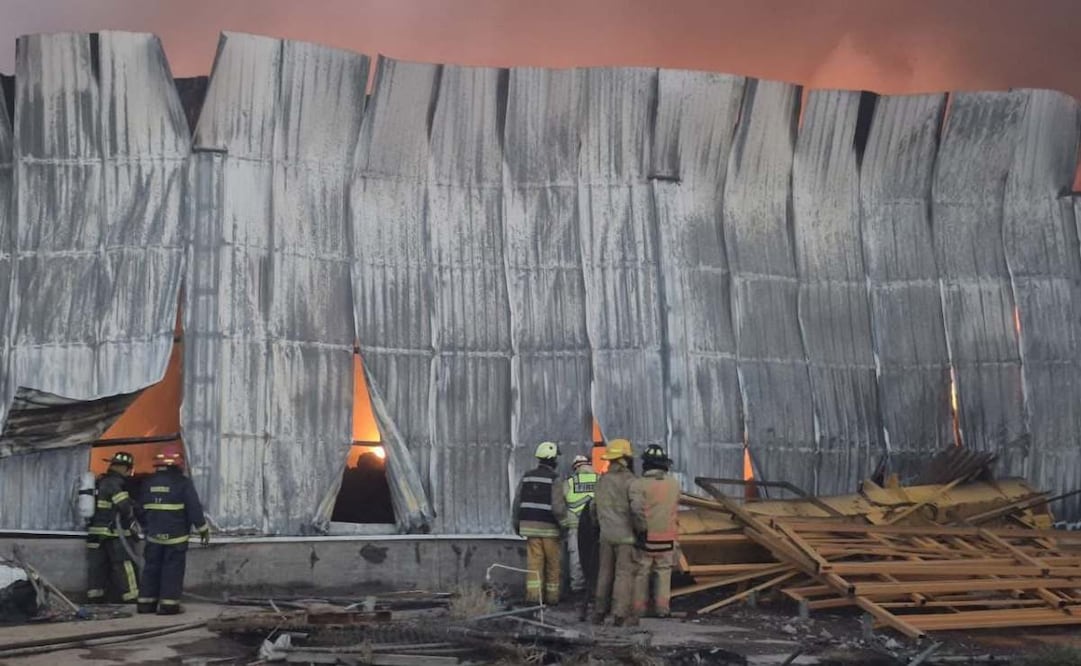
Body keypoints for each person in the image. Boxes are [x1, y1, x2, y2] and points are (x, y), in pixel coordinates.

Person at [136, 447, 210, 615]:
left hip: (153, 536)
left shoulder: (148, 482)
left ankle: (145, 604)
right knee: (172, 570)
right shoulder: (182, 483)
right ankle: (168, 605)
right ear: (178, 464)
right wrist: (203, 529)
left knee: (151, 568)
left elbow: (139, 509)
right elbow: (193, 508)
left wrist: (147, 527)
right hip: (176, 538)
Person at [590, 438, 638, 626]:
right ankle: (620, 615)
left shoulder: (602, 480)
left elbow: (593, 508)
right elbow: (637, 510)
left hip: (605, 536)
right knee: (623, 575)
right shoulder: (630, 481)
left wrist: (598, 526)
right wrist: (642, 530)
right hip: (626, 537)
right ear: (625, 458)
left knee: (604, 573)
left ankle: (599, 612)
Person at [512, 441, 567, 605]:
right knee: (552, 564)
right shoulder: (554, 479)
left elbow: (517, 502)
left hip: (530, 529)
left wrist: (516, 524)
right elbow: (558, 507)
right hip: (550, 530)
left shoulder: (527, 476)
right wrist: (564, 525)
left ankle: (534, 598)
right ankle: (552, 598)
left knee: (534, 565)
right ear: (552, 459)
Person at [630, 445, 680, 618]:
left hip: (646, 539)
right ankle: (662, 609)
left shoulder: (638, 485)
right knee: (664, 574)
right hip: (668, 539)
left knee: (641, 573)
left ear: (645, 464)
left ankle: (639, 609)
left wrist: (640, 530)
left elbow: (635, 510)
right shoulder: (673, 484)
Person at [86, 451, 140, 604]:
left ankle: (95, 596)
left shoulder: (100, 480)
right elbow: (124, 506)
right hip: (114, 533)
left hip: (95, 533)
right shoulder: (114, 483)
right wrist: (135, 508)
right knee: (124, 563)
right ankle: (131, 595)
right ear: (124, 468)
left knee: (97, 566)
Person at [561, 454, 597, 596]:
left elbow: (561, 501)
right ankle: (594, 586)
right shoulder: (599, 479)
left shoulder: (569, 482)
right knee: (595, 556)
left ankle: (577, 587)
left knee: (576, 556)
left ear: (575, 467)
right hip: (595, 525)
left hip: (575, 524)